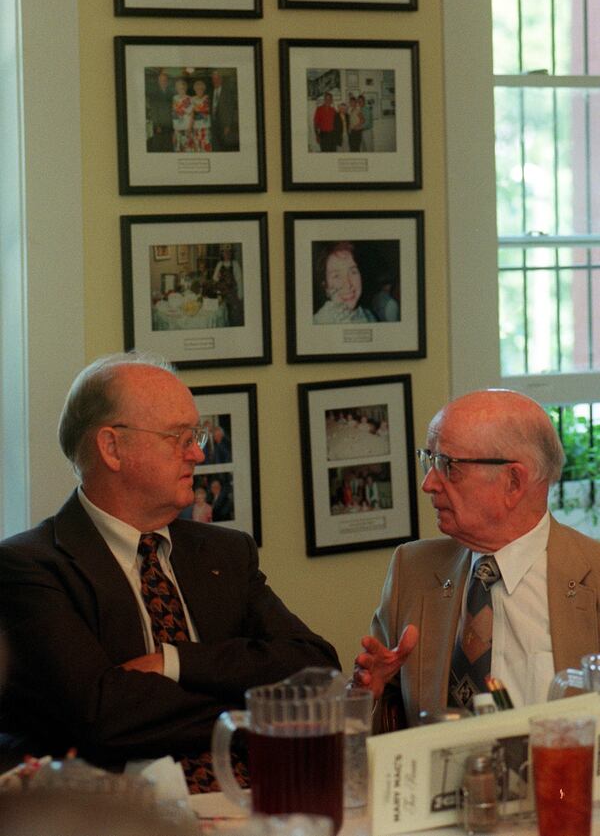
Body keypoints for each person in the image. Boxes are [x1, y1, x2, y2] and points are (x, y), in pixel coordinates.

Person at [0, 353, 340, 785]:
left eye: (195, 435)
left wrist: (173, 662)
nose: (198, 453)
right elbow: (103, 716)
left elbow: (313, 665)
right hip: (121, 817)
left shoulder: (226, 552)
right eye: (179, 437)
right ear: (112, 447)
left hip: (259, 797)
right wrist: (257, 713)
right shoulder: (29, 566)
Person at [353, 389, 600, 731]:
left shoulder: (593, 574)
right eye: (430, 460)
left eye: (448, 466)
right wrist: (367, 695)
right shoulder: (413, 569)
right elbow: (378, 723)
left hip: (558, 782)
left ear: (513, 482)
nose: (428, 483)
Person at [313, 241, 376, 325]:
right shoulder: (318, 322)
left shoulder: (369, 316)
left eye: (353, 272)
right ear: (326, 286)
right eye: (336, 276)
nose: (348, 284)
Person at [210, 70, 239, 152]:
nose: (215, 81)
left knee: (225, 146)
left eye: (217, 78)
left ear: (221, 79)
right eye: (213, 79)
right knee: (215, 146)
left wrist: (228, 126)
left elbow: (230, 110)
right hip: (213, 124)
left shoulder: (227, 92)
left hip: (224, 125)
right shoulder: (211, 91)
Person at [146, 69, 174, 153]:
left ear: (167, 81)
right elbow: (154, 111)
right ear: (158, 81)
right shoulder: (154, 94)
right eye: (161, 80)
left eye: (165, 80)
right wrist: (157, 125)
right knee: (158, 146)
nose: (163, 82)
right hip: (159, 125)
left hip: (170, 124)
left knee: (168, 145)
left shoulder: (171, 93)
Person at [188, 77, 212, 153]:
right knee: (196, 149)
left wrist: (198, 109)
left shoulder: (207, 98)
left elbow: (208, 110)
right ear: (195, 89)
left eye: (201, 88)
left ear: (204, 89)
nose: (199, 90)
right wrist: (190, 127)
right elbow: (191, 114)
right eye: (197, 89)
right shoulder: (192, 99)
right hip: (196, 128)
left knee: (206, 149)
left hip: (206, 129)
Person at [171, 77, 193, 153]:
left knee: (187, 151)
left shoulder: (189, 99)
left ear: (186, 88)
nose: (181, 90)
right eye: (179, 88)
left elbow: (191, 115)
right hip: (177, 129)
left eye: (183, 88)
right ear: (176, 89)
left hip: (186, 129)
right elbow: (174, 115)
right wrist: (174, 131)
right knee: (177, 152)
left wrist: (189, 129)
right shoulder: (175, 98)